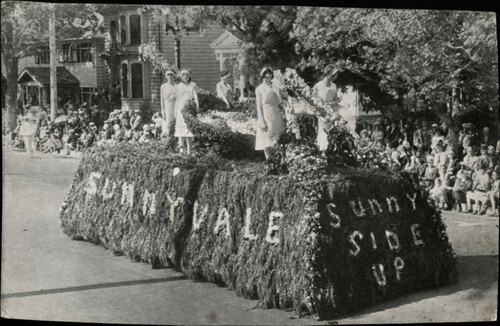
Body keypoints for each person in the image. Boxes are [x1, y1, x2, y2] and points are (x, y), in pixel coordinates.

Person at [255, 66, 286, 160]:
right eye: (265, 74)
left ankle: (280, 161)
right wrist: (261, 121)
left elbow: (282, 100)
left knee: (278, 139)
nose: (268, 76)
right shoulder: (259, 89)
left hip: (276, 115)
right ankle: (270, 162)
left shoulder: (276, 87)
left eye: (269, 73)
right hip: (266, 115)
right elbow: (259, 106)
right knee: (267, 140)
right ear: (262, 76)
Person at [312, 65, 340, 151]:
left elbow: (336, 100)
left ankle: (330, 151)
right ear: (329, 74)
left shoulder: (334, 86)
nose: (335, 77)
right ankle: (322, 151)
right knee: (323, 132)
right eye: (334, 75)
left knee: (331, 132)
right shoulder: (318, 86)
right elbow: (312, 100)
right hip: (322, 114)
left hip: (332, 112)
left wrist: (332, 104)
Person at [174, 69, 199, 155]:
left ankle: (189, 151)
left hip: (189, 108)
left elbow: (195, 97)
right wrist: (175, 110)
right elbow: (177, 99)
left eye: (187, 75)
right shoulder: (178, 86)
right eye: (183, 75)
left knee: (189, 129)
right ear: (181, 77)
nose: (185, 77)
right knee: (180, 130)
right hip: (180, 108)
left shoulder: (193, 85)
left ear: (189, 76)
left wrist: (197, 106)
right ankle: (181, 150)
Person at [160, 68, 178, 140]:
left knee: (175, 124)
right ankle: (168, 141)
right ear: (165, 76)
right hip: (167, 107)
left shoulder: (177, 86)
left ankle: (175, 141)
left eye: (171, 75)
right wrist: (162, 111)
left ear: (174, 76)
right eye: (168, 75)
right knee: (168, 125)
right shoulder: (163, 86)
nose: (170, 76)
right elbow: (162, 99)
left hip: (175, 106)